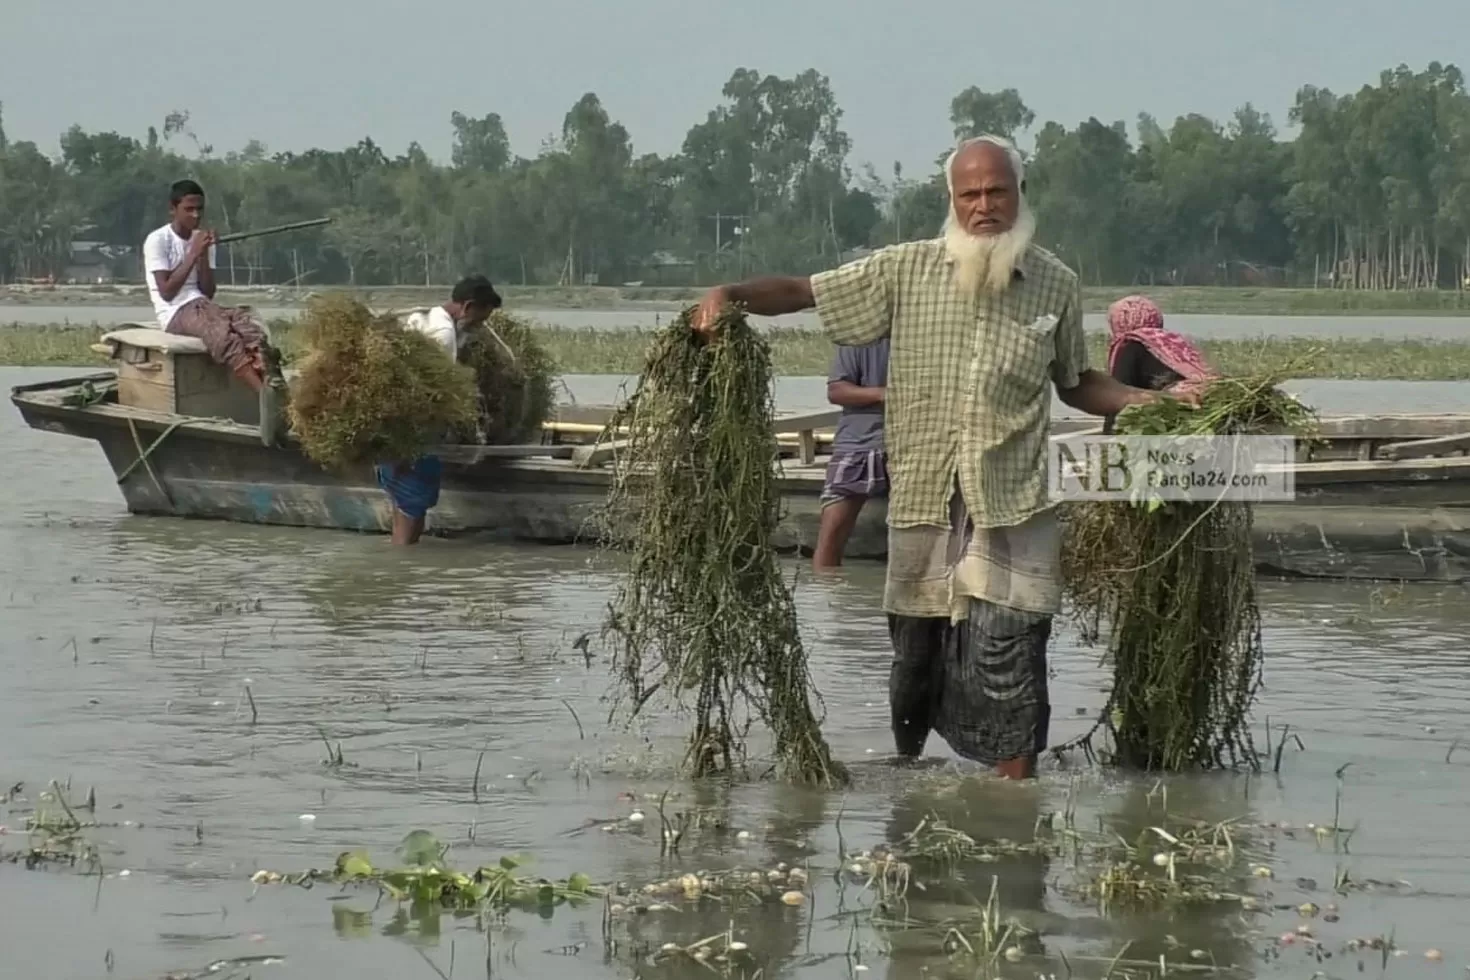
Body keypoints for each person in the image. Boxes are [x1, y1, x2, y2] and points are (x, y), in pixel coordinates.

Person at [690, 135, 1193, 780]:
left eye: (997, 191)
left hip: (1012, 499)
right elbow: (802, 289)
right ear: (953, 201)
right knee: (915, 660)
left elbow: (1074, 381)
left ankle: (1015, 791)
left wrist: (1139, 403)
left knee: (1011, 650)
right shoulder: (905, 269)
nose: (985, 205)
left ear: (1019, 195)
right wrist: (729, 293)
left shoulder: (1055, 283)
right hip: (925, 497)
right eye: (971, 193)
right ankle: (910, 784)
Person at [375, 275, 504, 546]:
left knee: (406, 504)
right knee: (413, 504)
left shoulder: (424, 318)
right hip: (413, 433)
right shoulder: (443, 335)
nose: (481, 325)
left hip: (390, 427)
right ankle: (403, 566)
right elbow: (434, 393)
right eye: (481, 318)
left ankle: (402, 562)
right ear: (468, 307)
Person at [143, 180, 278, 395]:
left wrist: (204, 254)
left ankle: (274, 384)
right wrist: (193, 254)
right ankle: (264, 395)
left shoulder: (203, 239)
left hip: (202, 304)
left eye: (199, 209)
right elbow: (167, 293)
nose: (195, 216)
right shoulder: (157, 240)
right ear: (173, 209)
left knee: (249, 327)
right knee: (223, 337)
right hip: (175, 312)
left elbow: (207, 292)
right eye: (189, 209)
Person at [813, 338, 889, 570]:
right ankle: (827, 595)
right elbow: (837, 391)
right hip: (860, 440)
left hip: (919, 440)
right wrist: (884, 394)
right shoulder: (859, 338)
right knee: (831, 537)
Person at [1102, 294, 1216, 433]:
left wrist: (1108, 437)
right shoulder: (1175, 340)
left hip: (1174, 407)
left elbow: (1118, 398)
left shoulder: (1128, 344)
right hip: (1207, 401)